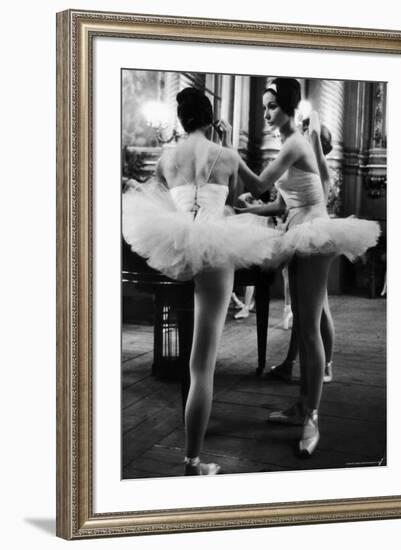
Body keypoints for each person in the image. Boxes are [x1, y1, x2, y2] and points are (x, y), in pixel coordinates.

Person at [122, 87, 281, 475]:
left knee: (184, 337)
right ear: (212, 119)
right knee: (202, 363)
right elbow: (260, 187)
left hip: (175, 244)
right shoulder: (225, 154)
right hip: (215, 248)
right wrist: (224, 144)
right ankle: (193, 460)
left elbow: (162, 194)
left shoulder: (166, 157)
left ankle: (192, 455)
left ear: (181, 121)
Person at [221, 77, 380, 456]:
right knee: (306, 323)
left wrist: (231, 153)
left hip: (311, 235)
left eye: (271, 106)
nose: (266, 113)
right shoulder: (292, 144)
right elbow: (281, 202)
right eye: (263, 107)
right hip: (298, 230)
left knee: (307, 329)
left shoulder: (294, 142)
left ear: (290, 107)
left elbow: (260, 182)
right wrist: (249, 209)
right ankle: (301, 404)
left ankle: (311, 417)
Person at [268, 118, 335, 384]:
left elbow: (316, 134)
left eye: (307, 133)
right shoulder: (302, 164)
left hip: (313, 238)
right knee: (303, 308)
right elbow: (282, 203)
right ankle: (290, 361)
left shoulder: (319, 167)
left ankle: (326, 365)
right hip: (296, 235)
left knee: (320, 310)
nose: (303, 134)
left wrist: (313, 128)